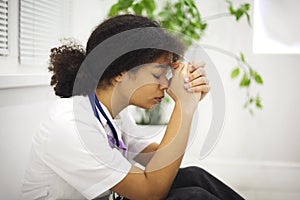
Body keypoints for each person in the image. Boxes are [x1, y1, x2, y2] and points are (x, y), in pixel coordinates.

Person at [22, 14, 244, 200]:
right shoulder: (70, 124)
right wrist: (183, 109)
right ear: (121, 72)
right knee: (193, 197)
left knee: (194, 177)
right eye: (158, 74)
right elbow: (151, 191)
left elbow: (159, 160)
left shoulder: (110, 113)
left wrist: (189, 97)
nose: (166, 85)